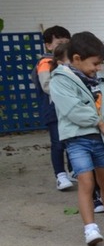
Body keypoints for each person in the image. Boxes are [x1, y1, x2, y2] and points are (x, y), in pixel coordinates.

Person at [50, 32, 104, 246]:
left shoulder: (98, 80)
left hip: (100, 139)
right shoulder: (60, 80)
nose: (98, 68)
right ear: (77, 59)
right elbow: (73, 110)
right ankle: (90, 228)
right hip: (77, 139)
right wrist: (99, 123)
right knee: (86, 181)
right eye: (95, 63)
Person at [33, 25, 73, 190]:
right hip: (53, 110)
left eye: (66, 42)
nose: (63, 45)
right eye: (59, 42)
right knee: (58, 143)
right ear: (48, 45)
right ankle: (60, 175)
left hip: (69, 109)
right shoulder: (45, 62)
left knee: (72, 140)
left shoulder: (68, 61)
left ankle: (73, 171)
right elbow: (46, 86)